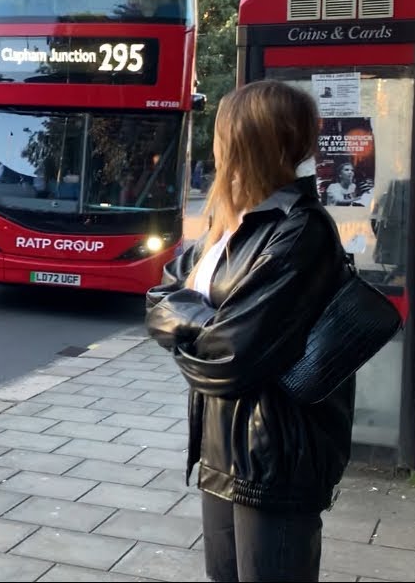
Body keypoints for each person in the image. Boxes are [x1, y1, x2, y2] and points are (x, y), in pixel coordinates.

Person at [145, 80, 353, 582]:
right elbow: (158, 298)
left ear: (246, 140)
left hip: (274, 458)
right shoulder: (233, 224)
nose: (214, 146)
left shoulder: (300, 230)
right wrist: (203, 327)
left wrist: (190, 326)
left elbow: (231, 357)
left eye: (221, 134)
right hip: (222, 449)